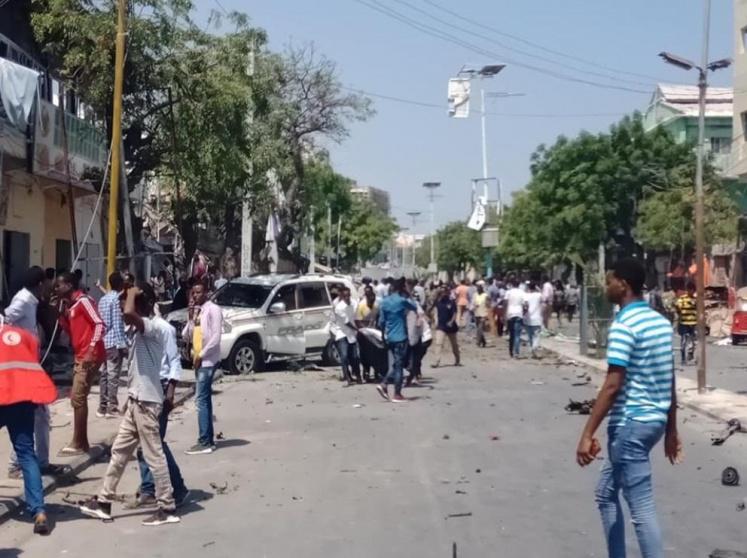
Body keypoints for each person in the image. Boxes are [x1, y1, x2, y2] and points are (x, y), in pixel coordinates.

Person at [576, 258, 681, 558]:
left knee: (641, 507)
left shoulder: (624, 325)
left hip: (631, 424)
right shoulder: (660, 322)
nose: (606, 286)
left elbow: (612, 384)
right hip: (653, 422)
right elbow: (669, 378)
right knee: (605, 493)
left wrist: (587, 433)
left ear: (623, 285)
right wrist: (671, 429)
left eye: (609, 281)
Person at [79, 283, 181, 526]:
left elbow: (127, 314)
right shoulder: (139, 329)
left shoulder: (153, 326)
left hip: (147, 403)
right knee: (119, 451)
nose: (126, 302)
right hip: (137, 400)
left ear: (146, 304)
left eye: (132, 299)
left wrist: (133, 292)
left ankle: (167, 507)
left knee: (154, 455)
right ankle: (104, 501)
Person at [0, 318, 58, 534]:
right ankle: (39, 511)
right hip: (22, 399)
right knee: (26, 454)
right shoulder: (26, 337)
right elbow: (34, 366)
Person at [5, 267, 64, 480]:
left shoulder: (32, 300)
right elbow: (5, 320)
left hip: (32, 365)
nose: (49, 285)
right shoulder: (22, 300)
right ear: (40, 284)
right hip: (22, 368)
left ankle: (40, 462)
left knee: (40, 415)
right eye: (47, 282)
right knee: (28, 415)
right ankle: (17, 464)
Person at [131, 310, 189, 509]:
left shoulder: (164, 328)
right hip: (144, 389)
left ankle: (178, 488)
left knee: (156, 443)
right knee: (145, 443)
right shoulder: (139, 328)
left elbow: (174, 360)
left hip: (161, 388)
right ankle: (148, 487)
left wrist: (170, 392)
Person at [56, 272, 106, 455]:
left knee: (77, 396)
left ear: (69, 285)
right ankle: (81, 441)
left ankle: (79, 442)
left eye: (59, 285)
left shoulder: (84, 301)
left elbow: (99, 324)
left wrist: (92, 348)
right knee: (79, 397)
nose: (56, 289)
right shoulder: (71, 306)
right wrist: (61, 315)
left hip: (89, 354)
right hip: (80, 354)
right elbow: (71, 332)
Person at [182, 281, 223, 454]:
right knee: (204, 399)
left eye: (199, 292)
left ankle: (205, 441)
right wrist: (190, 317)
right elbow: (186, 335)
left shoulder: (213, 309)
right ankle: (208, 439)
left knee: (200, 400)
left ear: (206, 292)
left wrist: (202, 355)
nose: (196, 295)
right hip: (197, 360)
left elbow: (216, 337)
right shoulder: (198, 311)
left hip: (207, 361)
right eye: (193, 293)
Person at [376, 278, 417, 403]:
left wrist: (383, 337)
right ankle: (396, 393)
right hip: (401, 337)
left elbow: (381, 322)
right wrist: (409, 294)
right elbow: (414, 306)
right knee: (399, 366)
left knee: (397, 363)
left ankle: (384, 384)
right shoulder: (401, 301)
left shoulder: (384, 302)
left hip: (390, 337)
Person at [97, 272, 128, 419]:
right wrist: (123, 344)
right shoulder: (116, 300)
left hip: (104, 341)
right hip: (113, 342)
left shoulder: (103, 299)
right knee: (113, 375)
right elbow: (117, 324)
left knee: (104, 374)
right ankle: (112, 407)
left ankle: (102, 406)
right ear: (120, 284)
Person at [330, 286, 362, 386]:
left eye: (348, 295)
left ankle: (358, 376)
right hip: (342, 333)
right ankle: (347, 377)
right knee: (344, 356)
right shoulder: (339, 307)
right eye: (345, 296)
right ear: (342, 296)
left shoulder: (354, 303)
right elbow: (346, 322)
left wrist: (360, 327)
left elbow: (357, 317)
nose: (347, 298)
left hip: (352, 334)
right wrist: (357, 329)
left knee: (355, 357)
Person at [432, 286, 460, 368]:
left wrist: (451, 321)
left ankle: (457, 359)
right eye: (442, 292)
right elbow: (431, 309)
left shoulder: (451, 302)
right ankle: (436, 361)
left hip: (451, 326)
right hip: (441, 326)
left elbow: (454, 313)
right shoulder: (438, 301)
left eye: (445, 291)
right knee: (438, 343)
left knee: (454, 344)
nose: (443, 293)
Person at [674, 282, 697, 365]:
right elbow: (678, 307)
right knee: (683, 341)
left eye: (693, 290)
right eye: (690, 290)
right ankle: (683, 359)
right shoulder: (682, 299)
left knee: (693, 341)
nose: (691, 292)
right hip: (684, 323)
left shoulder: (695, 299)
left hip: (693, 323)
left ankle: (690, 355)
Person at [504, 279, 525, 358]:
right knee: (517, 335)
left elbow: (505, 303)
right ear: (519, 284)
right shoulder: (522, 292)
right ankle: (516, 352)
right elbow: (525, 304)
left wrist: (504, 314)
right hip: (519, 314)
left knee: (511, 334)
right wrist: (524, 313)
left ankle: (511, 351)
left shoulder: (508, 292)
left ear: (511, 284)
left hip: (510, 314)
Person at [523, 282, 543, 358]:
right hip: (537, 318)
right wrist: (538, 288)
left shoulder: (526, 295)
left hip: (527, 318)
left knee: (529, 336)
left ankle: (531, 351)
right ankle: (534, 347)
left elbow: (524, 305)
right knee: (536, 335)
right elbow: (543, 296)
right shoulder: (538, 295)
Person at [473, 284, 489, 348]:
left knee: (480, 328)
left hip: (483, 314)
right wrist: (474, 306)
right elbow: (473, 303)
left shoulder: (485, 295)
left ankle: (478, 342)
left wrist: (487, 315)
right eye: (477, 289)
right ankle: (483, 341)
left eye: (479, 289)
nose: (478, 290)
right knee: (478, 328)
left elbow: (488, 305)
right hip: (477, 313)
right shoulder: (475, 295)